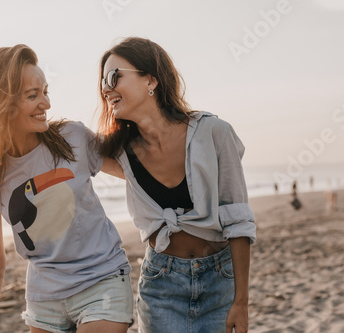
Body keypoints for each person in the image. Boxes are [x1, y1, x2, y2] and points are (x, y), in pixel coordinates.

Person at [0, 44, 133, 333]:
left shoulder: (72, 138)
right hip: (44, 296)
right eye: (32, 95)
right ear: (2, 103)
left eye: (45, 92)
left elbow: (134, 172)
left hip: (102, 279)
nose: (46, 104)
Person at [97, 37, 256, 333]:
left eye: (113, 76)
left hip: (219, 283)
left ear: (150, 80)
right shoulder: (119, 153)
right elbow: (65, 147)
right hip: (161, 286)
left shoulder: (214, 133)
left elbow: (239, 220)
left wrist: (241, 301)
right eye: (103, 81)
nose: (106, 87)